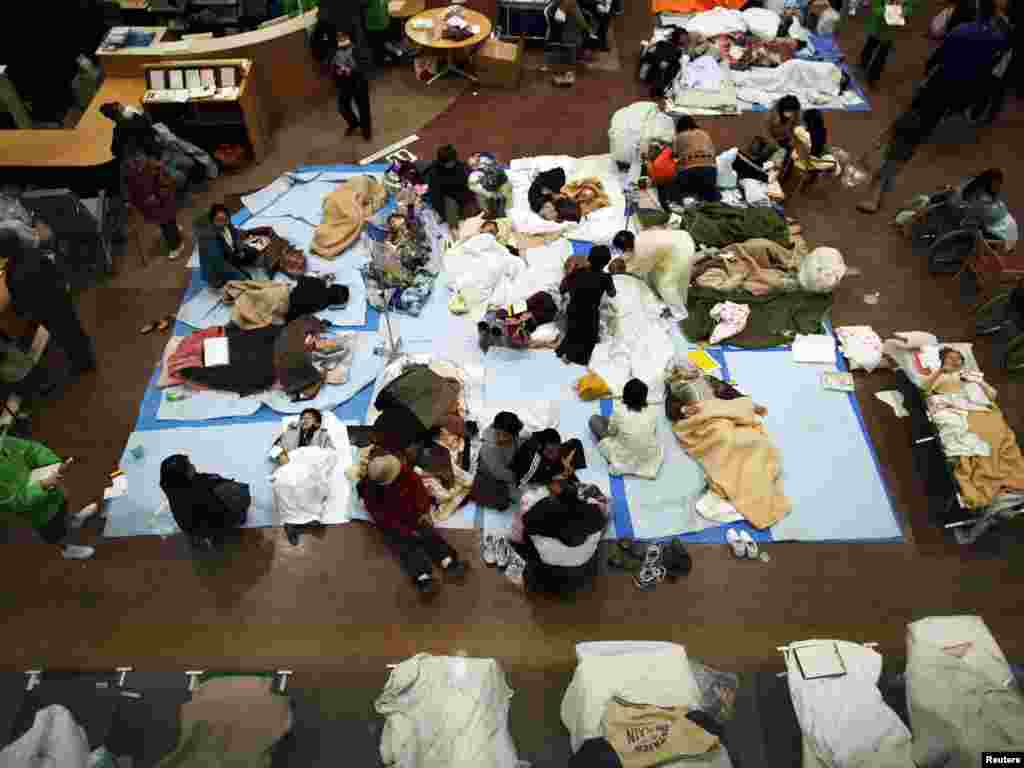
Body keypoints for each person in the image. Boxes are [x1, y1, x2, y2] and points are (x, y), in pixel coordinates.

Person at [858, 0, 1012, 213]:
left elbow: (939, 55)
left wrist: (929, 75)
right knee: (908, 131)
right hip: (956, 97)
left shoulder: (964, 30)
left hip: (937, 90)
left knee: (907, 136)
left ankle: (879, 182)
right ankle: (880, 163)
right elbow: (989, 73)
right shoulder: (998, 38)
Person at [358, 455, 468, 595]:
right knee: (405, 546)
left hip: (414, 514)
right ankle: (423, 578)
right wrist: (404, 531)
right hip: (395, 523)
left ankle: (448, 562)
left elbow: (419, 490)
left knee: (428, 533)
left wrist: (423, 511)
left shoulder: (403, 471)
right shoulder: (370, 491)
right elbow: (382, 519)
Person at [0, 230, 96, 377]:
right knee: (73, 328)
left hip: (45, 312)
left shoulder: (12, 274)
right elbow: (53, 270)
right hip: (60, 299)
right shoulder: (33, 253)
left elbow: (21, 304)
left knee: (64, 336)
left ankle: (82, 363)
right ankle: (86, 357)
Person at [0, 436, 100, 559]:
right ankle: (66, 549)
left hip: (50, 489)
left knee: (62, 507)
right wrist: (42, 485)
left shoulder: (3, 440)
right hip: (35, 511)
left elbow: (31, 450)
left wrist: (53, 463)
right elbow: (13, 502)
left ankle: (73, 520)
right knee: (53, 532)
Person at [516, 481, 608, 594]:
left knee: (522, 533)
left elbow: (525, 523)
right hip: (583, 569)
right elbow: (603, 514)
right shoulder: (594, 513)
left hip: (546, 571)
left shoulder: (540, 513)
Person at [159, 454, 248, 551]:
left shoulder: (175, 489)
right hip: (219, 528)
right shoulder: (205, 491)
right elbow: (242, 497)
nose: (192, 466)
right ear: (185, 473)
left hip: (193, 529)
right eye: (189, 465)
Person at [589, 378, 664, 478]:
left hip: (624, 458)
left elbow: (611, 432)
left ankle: (614, 458)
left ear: (625, 394)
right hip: (649, 458)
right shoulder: (652, 411)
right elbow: (653, 430)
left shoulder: (619, 412)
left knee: (594, 420)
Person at [556, 245, 617, 366]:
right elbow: (612, 294)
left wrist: (571, 274)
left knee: (573, 333)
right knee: (590, 339)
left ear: (589, 258)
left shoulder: (577, 272)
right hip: (590, 313)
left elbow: (562, 289)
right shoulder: (606, 278)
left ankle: (564, 351)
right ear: (606, 263)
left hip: (573, 311)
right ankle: (575, 358)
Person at [122, 151, 184, 260]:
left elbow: (166, 183)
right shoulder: (129, 172)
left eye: (138, 157)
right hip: (147, 205)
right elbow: (129, 188)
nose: (135, 160)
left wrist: (157, 195)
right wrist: (128, 201)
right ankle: (174, 232)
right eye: (132, 159)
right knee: (163, 222)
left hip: (163, 200)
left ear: (144, 156)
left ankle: (177, 245)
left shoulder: (154, 167)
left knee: (167, 222)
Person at [198, 204, 274, 289]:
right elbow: (220, 264)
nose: (223, 223)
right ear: (212, 221)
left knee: (254, 252)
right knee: (247, 280)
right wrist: (242, 278)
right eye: (219, 220)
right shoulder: (208, 237)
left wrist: (256, 231)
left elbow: (236, 233)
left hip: (231, 257)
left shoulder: (226, 225)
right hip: (217, 272)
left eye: (226, 220)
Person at [470, 412, 524, 510]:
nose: (501, 438)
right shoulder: (489, 447)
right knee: (509, 501)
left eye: (506, 435)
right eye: (498, 434)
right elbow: (498, 472)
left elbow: (520, 446)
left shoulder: (517, 437)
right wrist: (519, 479)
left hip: (507, 471)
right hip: (489, 475)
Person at [860, 0, 917, 85]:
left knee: (881, 56)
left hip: (890, 32)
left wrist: (900, 11)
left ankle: (872, 78)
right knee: (870, 46)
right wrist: (893, 10)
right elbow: (876, 10)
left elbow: (909, 9)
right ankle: (863, 63)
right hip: (877, 28)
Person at [667, 116, 720, 204]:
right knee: (707, 191)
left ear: (679, 126)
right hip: (711, 171)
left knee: (673, 188)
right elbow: (713, 152)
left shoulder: (679, 136)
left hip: (690, 173)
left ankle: (678, 202)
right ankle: (711, 196)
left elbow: (673, 155)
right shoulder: (705, 133)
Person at [545, 0, 599, 86]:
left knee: (566, 54)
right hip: (565, 36)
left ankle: (567, 76)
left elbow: (580, 21)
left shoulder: (570, 5)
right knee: (565, 54)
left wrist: (588, 31)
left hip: (567, 37)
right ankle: (567, 74)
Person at [512, 428, 586, 488]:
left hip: (549, 464)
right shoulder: (532, 461)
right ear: (540, 448)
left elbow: (576, 443)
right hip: (537, 473)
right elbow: (522, 482)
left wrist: (567, 463)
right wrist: (552, 478)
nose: (555, 454)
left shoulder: (552, 446)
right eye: (550, 452)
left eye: (557, 449)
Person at [334, 32, 372, 140]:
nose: (341, 39)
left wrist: (351, 70)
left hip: (358, 82)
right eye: (339, 37)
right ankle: (354, 123)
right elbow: (333, 64)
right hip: (344, 83)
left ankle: (366, 132)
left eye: (343, 37)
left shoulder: (358, 48)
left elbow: (366, 64)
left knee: (363, 108)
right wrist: (338, 72)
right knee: (343, 106)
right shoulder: (335, 50)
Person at [425, 145, 473, 231]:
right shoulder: (434, 174)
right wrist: (444, 214)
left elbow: (470, 186)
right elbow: (436, 197)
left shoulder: (462, 167)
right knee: (452, 217)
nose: (453, 162)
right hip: (447, 201)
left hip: (462, 198)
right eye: (451, 162)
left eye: (454, 160)